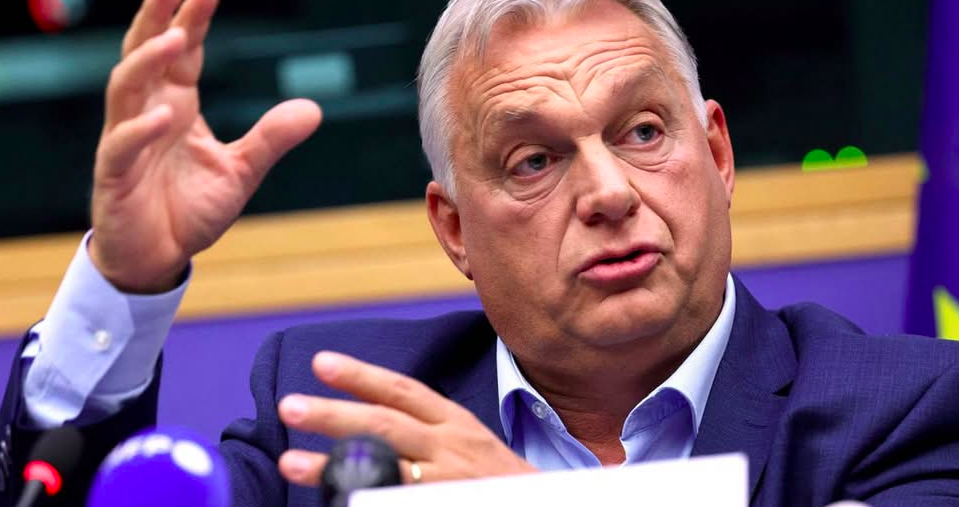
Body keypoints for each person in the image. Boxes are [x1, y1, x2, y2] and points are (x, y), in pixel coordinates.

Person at [1, 0, 958, 505]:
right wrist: (126, 279)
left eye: (641, 132)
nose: (609, 192)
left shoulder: (905, 410)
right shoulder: (339, 416)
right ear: (454, 228)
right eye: (533, 159)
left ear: (716, 154)